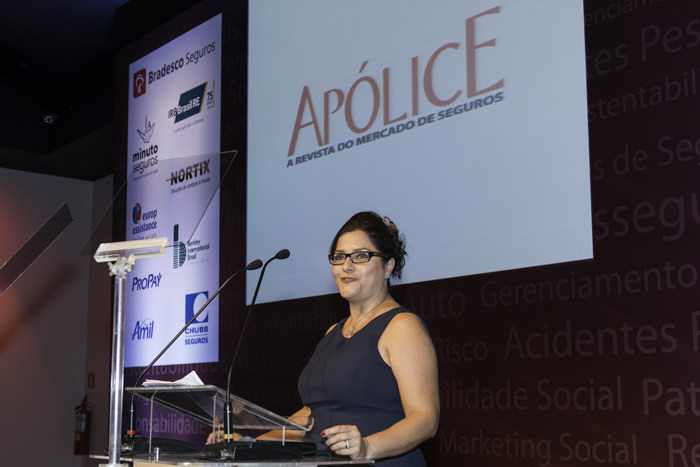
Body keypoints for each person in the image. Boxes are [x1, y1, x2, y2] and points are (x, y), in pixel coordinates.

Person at [296, 211, 440, 465]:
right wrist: (249, 437)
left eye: (361, 256)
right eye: (339, 257)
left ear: (388, 266)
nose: (346, 266)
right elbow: (312, 414)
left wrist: (367, 447)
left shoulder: (402, 327)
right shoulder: (333, 332)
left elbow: (425, 419)